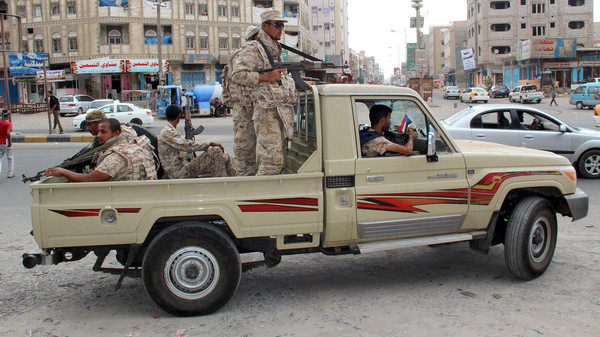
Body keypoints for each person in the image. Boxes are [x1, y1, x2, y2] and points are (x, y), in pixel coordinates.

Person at [230, 9, 299, 175]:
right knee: (272, 162)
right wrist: (267, 78)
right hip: (264, 108)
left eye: (282, 25)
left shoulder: (274, 50)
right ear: (265, 26)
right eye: (277, 25)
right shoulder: (253, 48)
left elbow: (278, 77)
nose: (281, 29)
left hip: (277, 108)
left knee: (274, 159)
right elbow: (238, 75)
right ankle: (259, 195)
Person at [44, 118, 157, 182]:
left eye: (103, 132)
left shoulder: (117, 156)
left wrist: (63, 172)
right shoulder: (134, 147)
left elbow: (91, 179)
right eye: (98, 131)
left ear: (116, 133)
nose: (98, 135)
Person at [158, 105, 235, 179]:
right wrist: (210, 143)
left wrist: (188, 135)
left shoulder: (169, 131)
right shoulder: (167, 132)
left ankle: (239, 176)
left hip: (182, 168)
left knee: (225, 157)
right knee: (216, 151)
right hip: (179, 173)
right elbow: (188, 146)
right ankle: (219, 184)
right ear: (179, 116)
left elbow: (181, 145)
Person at [223, 25, 260, 176]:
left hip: (242, 107)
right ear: (256, 37)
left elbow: (226, 87)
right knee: (247, 153)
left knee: (247, 151)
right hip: (247, 107)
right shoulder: (248, 54)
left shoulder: (235, 55)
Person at [0, 109, 14, 178]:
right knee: (10, 158)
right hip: (5, 142)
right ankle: (10, 173)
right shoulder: (7, 123)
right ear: (7, 116)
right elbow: (8, 133)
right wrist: (10, 142)